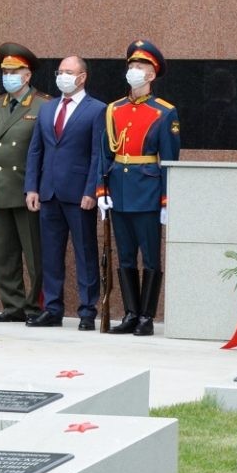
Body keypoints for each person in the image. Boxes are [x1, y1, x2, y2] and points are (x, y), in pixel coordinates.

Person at [98, 40, 178, 336]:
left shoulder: (164, 113)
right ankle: (131, 313)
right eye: (131, 66)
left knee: (151, 257)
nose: (133, 71)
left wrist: (168, 199)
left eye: (140, 66)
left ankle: (147, 316)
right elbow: (104, 155)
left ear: (152, 75)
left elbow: (170, 161)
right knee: (126, 256)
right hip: (118, 190)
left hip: (148, 192)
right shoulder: (113, 110)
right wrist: (101, 191)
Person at [23, 55, 105, 330]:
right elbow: (36, 150)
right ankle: (53, 308)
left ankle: (87, 310)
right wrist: (32, 187)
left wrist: (92, 190)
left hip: (79, 194)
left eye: (69, 72)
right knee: (51, 254)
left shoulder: (97, 110)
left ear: (82, 77)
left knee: (85, 252)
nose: (62, 77)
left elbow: (97, 154)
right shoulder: (47, 108)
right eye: (60, 72)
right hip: (49, 192)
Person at [0, 43, 47, 322]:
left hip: (27, 189)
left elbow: (44, 153)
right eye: (4, 71)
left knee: (34, 254)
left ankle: (34, 306)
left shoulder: (43, 105)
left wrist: (38, 188)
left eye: (13, 71)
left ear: (27, 75)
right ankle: (12, 305)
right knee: (4, 254)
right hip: (1, 187)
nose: (7, 76)